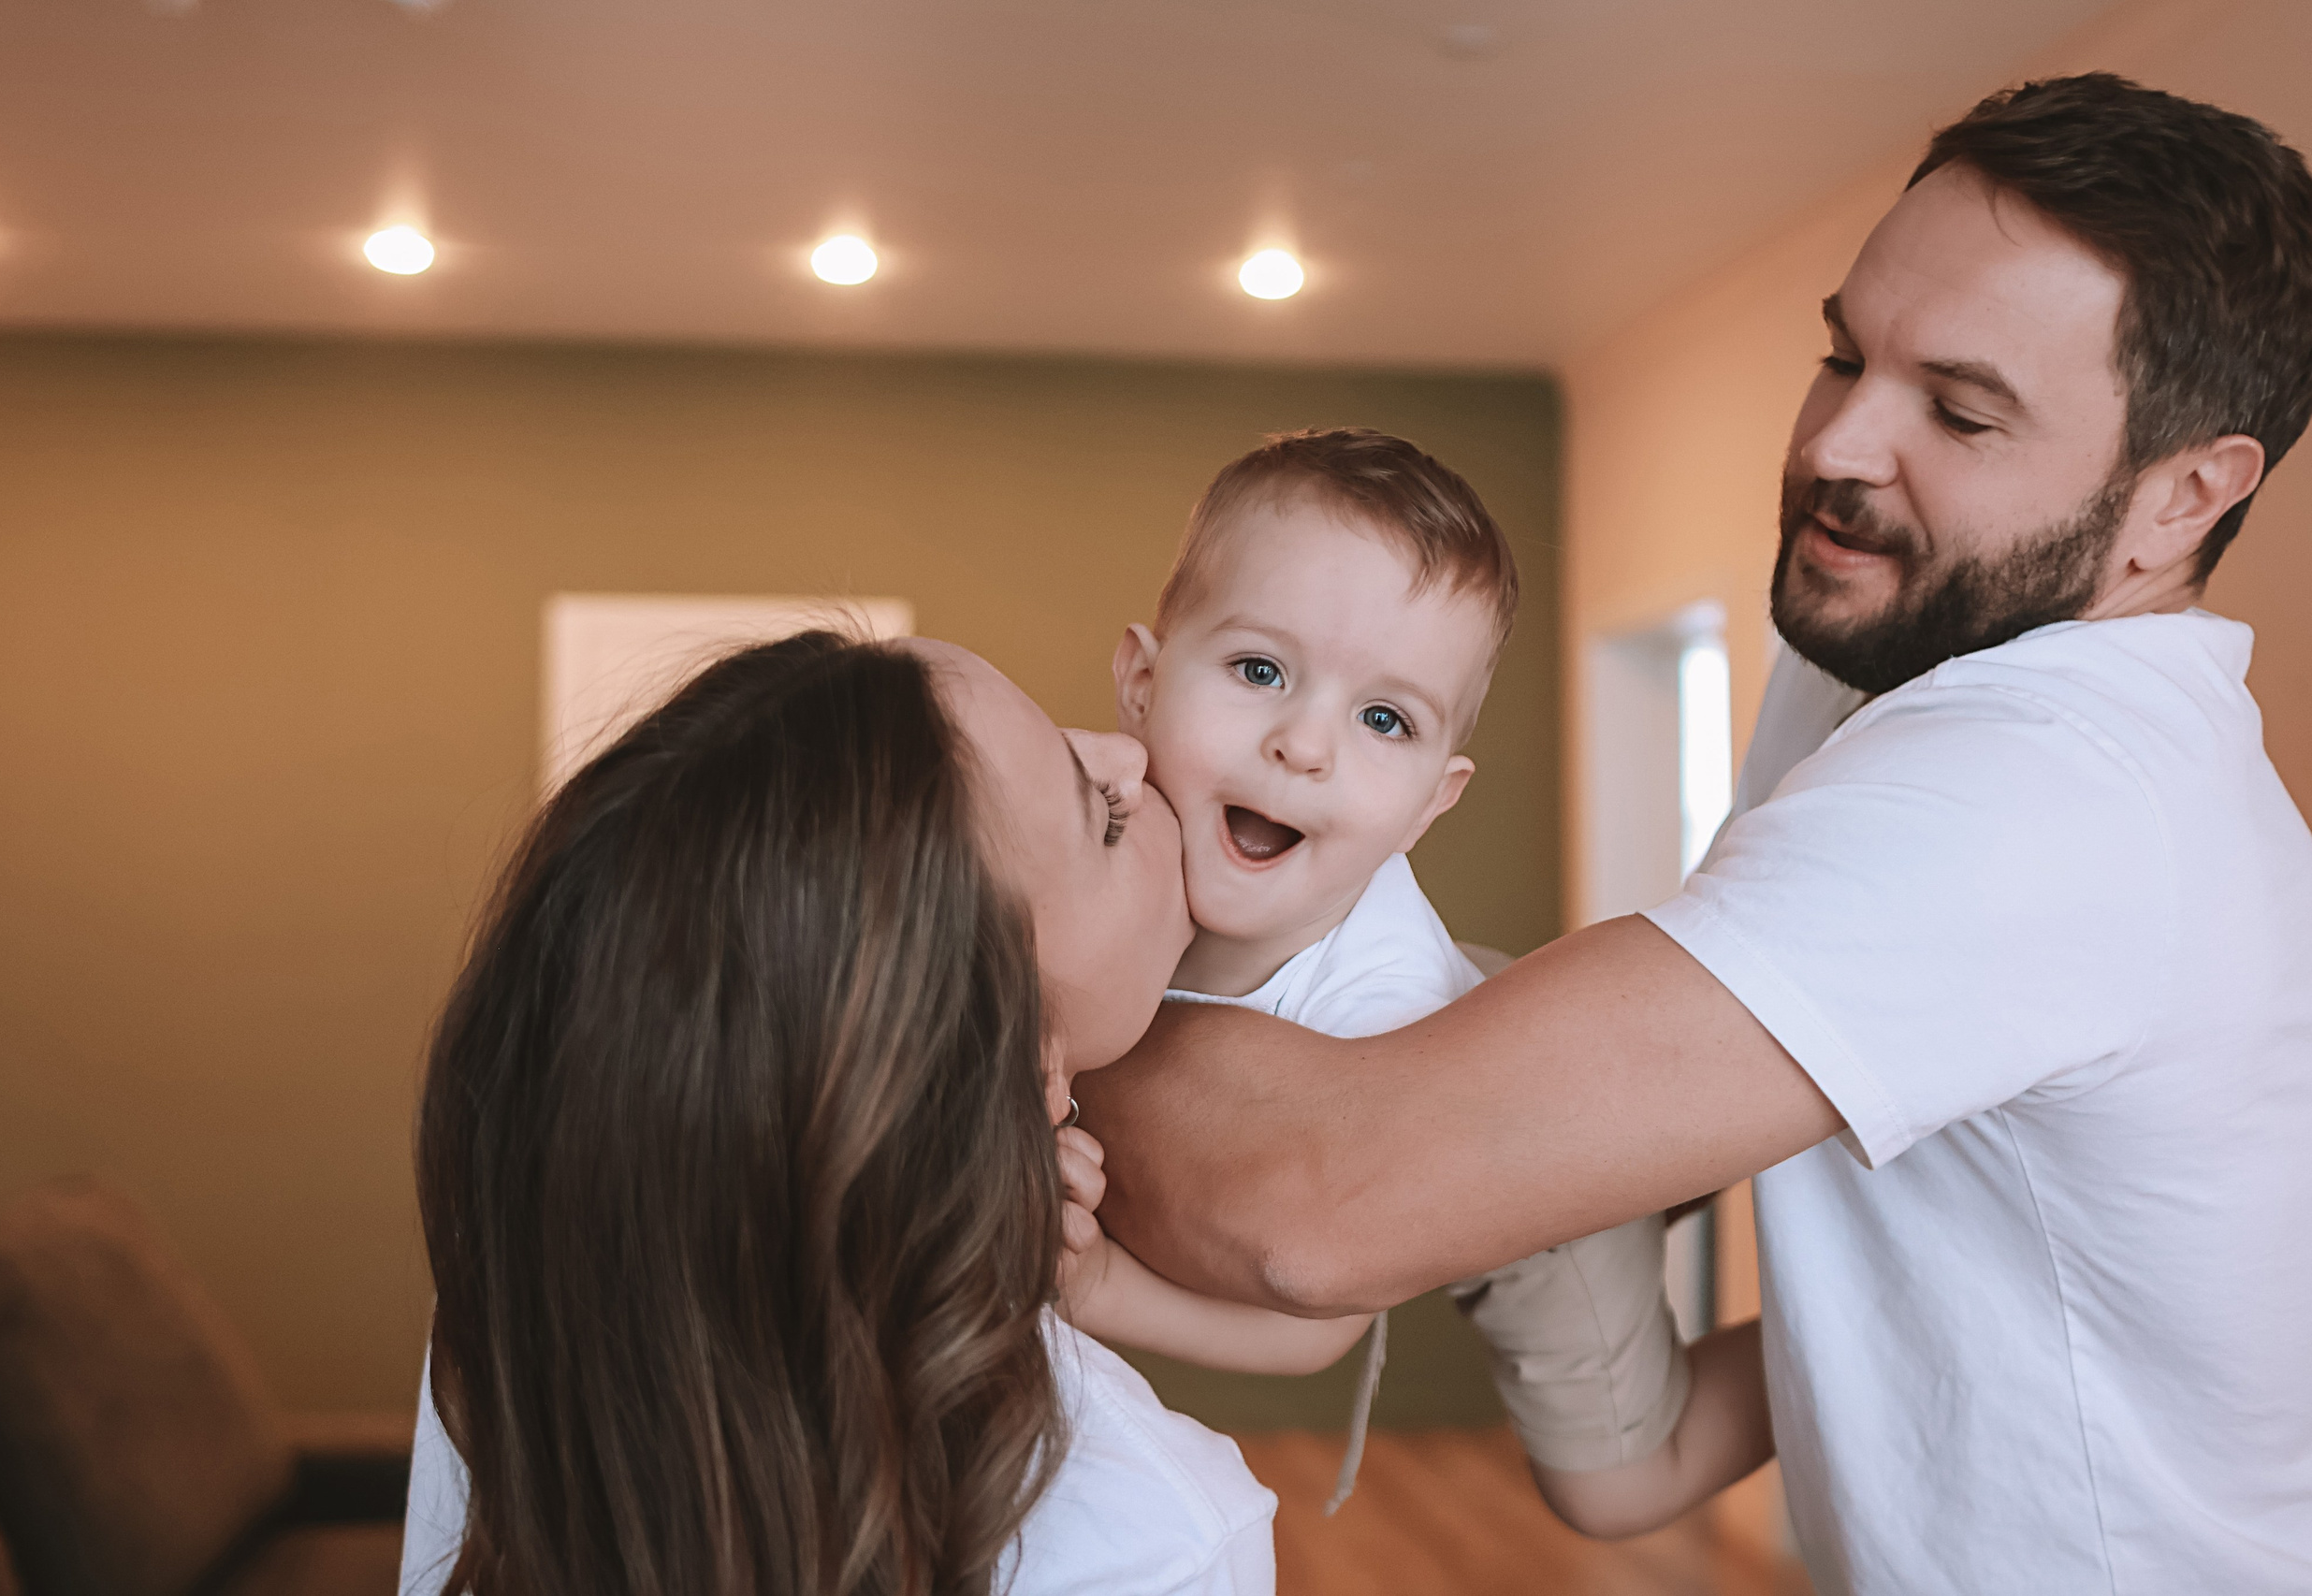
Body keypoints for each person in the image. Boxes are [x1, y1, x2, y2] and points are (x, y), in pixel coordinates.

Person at [1079, 74, 2312, 1594]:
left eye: (1961, 409)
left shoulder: (2044, 789)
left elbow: (1307, 1206)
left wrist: (949, 968)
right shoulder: (1887, 651)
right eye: (1843, 354)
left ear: (2185, 495)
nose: (1839, 443)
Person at [400, 631, 1276, 1596]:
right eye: (1105, 820)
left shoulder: (507, 1326)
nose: (1134, 758)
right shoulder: (1155, 1540)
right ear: (1019, 1058)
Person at [1056, 426, 1764, 1525]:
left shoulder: (1378, 1012)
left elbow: (1313, 1321)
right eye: (1258, 670)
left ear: (1436, 797)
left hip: (1514, 1144)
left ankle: (1826, 1324)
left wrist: (1101, 1287)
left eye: (1384, 718)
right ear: (1142, 681)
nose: (1303, 744)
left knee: (1616, 1485)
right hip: (1473, 1012)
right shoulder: (1085, 817)